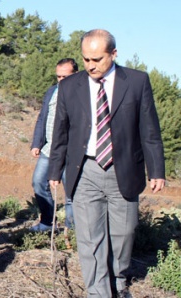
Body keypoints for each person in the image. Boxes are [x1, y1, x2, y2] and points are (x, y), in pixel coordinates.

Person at [48, 29, 165, 297]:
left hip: (123, 169)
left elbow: (149, 130)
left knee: (124, 235)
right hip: (84, 170)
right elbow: (61, 132)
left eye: (97, 59)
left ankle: (119, 280)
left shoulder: (137, 82)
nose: (90, 65)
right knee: (90, 238)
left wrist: (156, 169)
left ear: (113, 54)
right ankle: (98, 291)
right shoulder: (69, 86)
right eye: (86, 59)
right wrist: (55, 169)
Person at [30, 58, 78, 232]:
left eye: (65, 77)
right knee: (38, 183)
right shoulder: (52, 91)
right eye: (58, 77)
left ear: (76, 75)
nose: (61, 80)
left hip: (70, 153)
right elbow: (43, 117)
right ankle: (47, 222)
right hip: (49, 149)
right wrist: (37, 143)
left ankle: (71, 230)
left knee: (71, 192)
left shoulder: (81, 95)